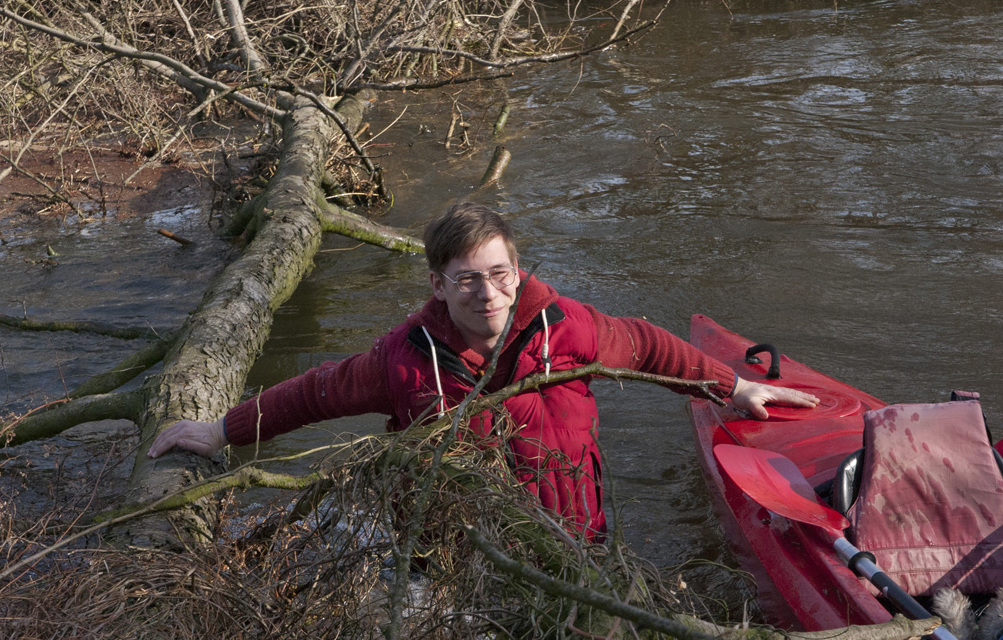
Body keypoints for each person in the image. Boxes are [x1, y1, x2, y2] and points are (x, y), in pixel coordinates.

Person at [148, 202, 818, 540]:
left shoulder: (567, 328)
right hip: (450, 554)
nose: (488, 293)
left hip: (574, 540)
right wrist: (221, 431)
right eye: (467, 279)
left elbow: (646, 347)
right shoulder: (403, 358)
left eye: (499, 274)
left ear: (517, 271)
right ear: (438, 285)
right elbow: (318, 392)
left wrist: (734, 387)